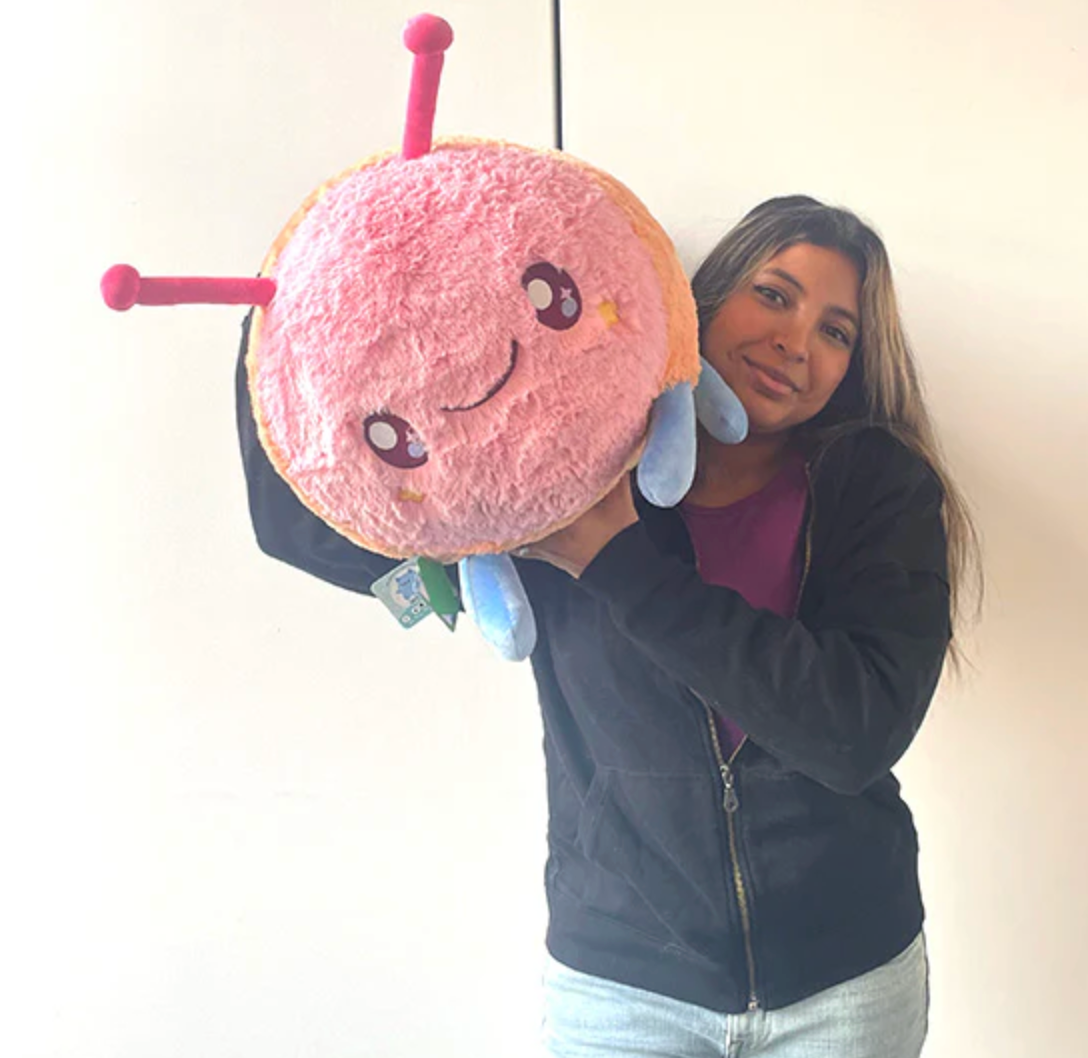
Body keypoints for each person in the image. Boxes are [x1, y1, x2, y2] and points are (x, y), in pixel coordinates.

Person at [236, 195, 980, 1057]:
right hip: (625, 985)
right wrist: (301, 294)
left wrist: (613, 559)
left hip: (846, 979)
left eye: (836, 331)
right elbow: (298, 527)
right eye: (774, 296)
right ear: (704, 295)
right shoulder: (559, 468)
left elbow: (853, 733)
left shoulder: (878, 487)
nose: (796, 343)